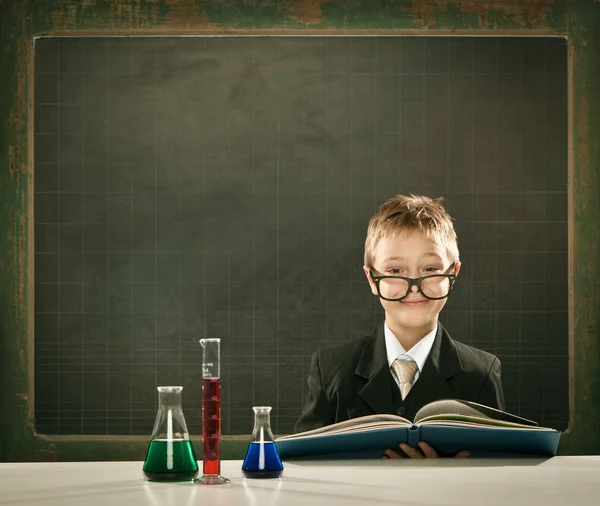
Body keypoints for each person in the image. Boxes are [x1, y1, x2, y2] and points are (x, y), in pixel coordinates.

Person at [294, 194, 504, 458]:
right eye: (395, 271)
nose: (414, 286)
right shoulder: (331, 369)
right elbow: (302, 463)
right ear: (371, 278)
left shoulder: (481, 374)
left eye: (429, 269)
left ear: (453, 275)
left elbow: (494, 475)